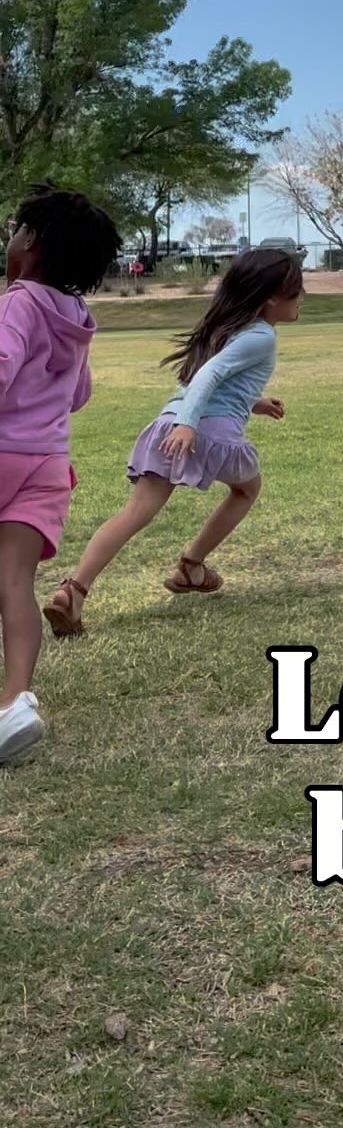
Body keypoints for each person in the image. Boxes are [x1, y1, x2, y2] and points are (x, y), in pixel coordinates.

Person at [46, 247, 303, 636]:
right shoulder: (261, 336)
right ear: (271, 297)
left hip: (168, 423)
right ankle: (191, 566)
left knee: (134, 513)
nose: (303, 297)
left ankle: (73, 591)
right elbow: (209, 377)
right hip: (200, 431)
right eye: (297, 290)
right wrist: (189, 424)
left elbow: (217, 384)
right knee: (248, 489)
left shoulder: (227, 328)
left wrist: (255, 403)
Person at [0, 185, 121, 766]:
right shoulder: (79, 317)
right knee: (14, 583)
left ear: (34, 245)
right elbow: (78, 393)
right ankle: (14, 704)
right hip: (47, 464)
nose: (11, 238)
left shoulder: (18, 302)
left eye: (17, 230)